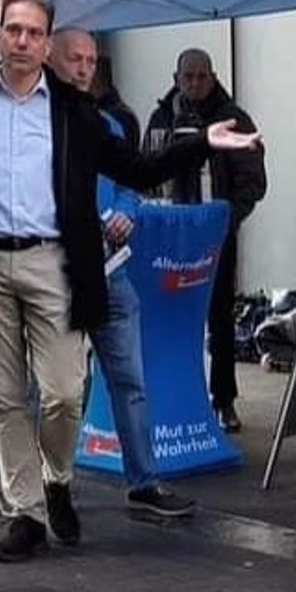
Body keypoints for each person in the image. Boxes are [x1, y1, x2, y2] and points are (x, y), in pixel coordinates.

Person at [0, 0, 260, 564]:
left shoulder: (73, 112)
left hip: (56, 262)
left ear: (46, 44)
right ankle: (22, 512)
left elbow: (135, 168)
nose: (21, 41)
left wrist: (200, 143)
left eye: (32, 33)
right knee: (3, 397)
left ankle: (57, 476)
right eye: (12, 30)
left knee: (65, 393)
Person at [49, 29, 195, 524]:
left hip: (111, 271)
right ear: (53, 58)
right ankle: (53, 485)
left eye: (91, 59)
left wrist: (129, 209)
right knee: (58, 392)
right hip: (59, 272)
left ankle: (143, 482)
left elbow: (135, 175)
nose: (85, 68)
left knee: (129, 379)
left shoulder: (108, 123)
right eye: (75, 58)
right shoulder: (39, 123)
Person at [144, 48, 267, 433]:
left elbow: (253, 180)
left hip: (215, 236)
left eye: (202, 76)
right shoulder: (161, 118)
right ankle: (173, 399)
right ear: (176, 78)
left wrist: (227, 219)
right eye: (188, 77)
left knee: (220, 317)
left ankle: (224, 400)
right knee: (170, 318)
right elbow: (145, 168)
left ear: (213, 77)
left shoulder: (235, 118)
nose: (195, 83)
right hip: (170, 237)